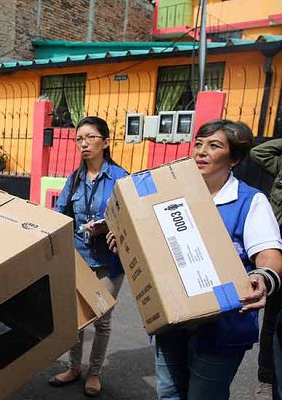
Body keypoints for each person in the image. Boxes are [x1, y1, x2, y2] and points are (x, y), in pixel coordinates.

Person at [107, 120, 282, 400]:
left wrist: (262, 277)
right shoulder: (173, 197)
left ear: (234, 158)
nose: (201, 152)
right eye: (198, 144)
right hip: (172, 321)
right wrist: (127, 245)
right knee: (169, 393)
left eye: (213, 146)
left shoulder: (249, 201)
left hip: (222, 328)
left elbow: (270, 255)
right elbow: (154, 250)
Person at [48, 116, 128, 397]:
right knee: (76, 315)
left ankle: (94, 373)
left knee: (102, 319)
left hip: (109, 261)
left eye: (90, 137)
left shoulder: (121, 178)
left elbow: (132, 220)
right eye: (79, 139)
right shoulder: (75, 178)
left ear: (106, 142)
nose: (83, 144)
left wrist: (111, 228)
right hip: (78, 256)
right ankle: (74, 367)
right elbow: (61, 212)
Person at [250, 138, 282, 400]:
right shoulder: (280, 162)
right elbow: (259, 151)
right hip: (277, 251)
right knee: (272, 321)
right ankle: (267, 380)